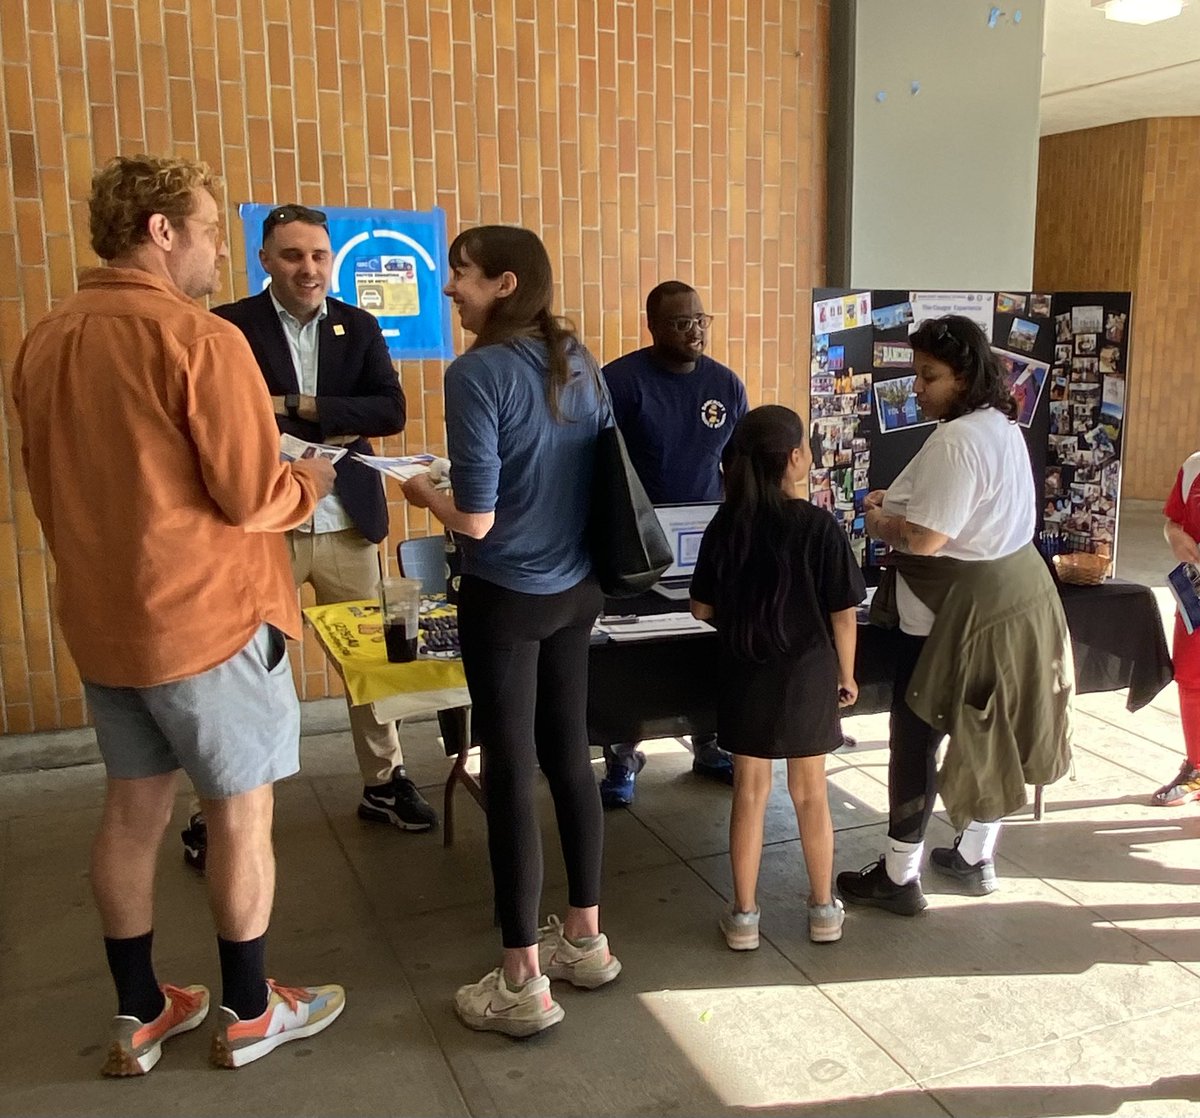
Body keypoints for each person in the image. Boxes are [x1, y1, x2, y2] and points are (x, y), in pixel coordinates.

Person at [12, 155, 345, 1074]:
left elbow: (51, 483)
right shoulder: (200, 340)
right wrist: (307, 479)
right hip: (211, 622)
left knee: (131, 813)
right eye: (206, 231)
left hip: (104, 620)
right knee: (240, 814)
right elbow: (248, 495)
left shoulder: (45, 339)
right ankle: (248, 1011)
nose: (215, 256)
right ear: (162, 232)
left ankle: (140, 1011)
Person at [401, 225, 620, 1037]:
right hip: (578, 591)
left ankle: (523, 978)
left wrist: (425, 494)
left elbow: (480, 520)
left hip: (507, 597)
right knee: (569, 756)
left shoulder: (478, 372)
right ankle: (586, 941)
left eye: (458, 275)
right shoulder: (578, 359)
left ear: (502, 282)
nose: (449, 289)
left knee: (508, 772)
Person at [208, 203, 437, 841]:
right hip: (265, 528)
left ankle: (383, 783)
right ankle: (221, 806)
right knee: (244, 667)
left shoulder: (358, 326)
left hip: (346, 522)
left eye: (318, 256)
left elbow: (389, 411)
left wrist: (294, 403)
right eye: (292, 255)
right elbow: (226, 417)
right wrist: (325, 416)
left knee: (372, 664)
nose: (308, 269)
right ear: (265, 259)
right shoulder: (228, 327)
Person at [836, 315, 1073, 915]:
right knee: (991, 728)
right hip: (1017, 596)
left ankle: (898, 877)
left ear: (965, 377)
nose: (917, 388)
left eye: (928, 376)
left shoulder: (958, 440)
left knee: (916, 738)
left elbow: (926, 538)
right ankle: (975, 855)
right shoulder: (1001, 426)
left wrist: (879, 518)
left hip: (955, 615)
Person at [689, 407, 865, 947]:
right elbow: (843, 612)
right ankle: (822, 911)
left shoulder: (728, 523)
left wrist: (741, 619)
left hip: (746, 670)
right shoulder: (818, 526)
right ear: (794, 460)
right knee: (811, 794)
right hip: (808, 674)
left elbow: (700, 607)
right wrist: (847, 676)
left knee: (750, 793)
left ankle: (743, 915)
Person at [598, 281, 749, 806]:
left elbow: (738, 466)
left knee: (705, 643)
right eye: (682, 322)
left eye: (701, 320)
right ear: (654, 327)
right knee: (635, 652)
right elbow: (598, 464)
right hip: (634, 543)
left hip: (706, 542)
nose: (695, 331)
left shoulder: (726, 386)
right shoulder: (618, 381)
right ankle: (622, 754)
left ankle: (709, 743)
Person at [1154, 451, 1200, 806]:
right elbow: (1173, 520)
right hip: (1196, 598)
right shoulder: (1194, 466)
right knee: (1190, 679)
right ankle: (1197, 767)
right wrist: (1174, 536)